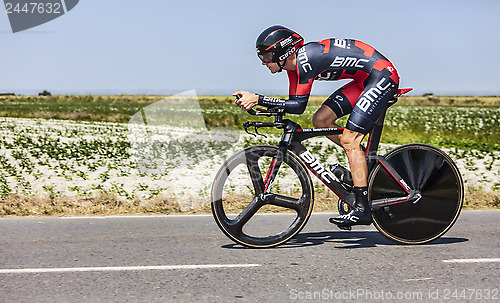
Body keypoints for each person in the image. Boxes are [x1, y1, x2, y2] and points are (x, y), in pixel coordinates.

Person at [234, 25, 400, 227]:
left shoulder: (307, 60)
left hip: (381, 76)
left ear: (283, 52)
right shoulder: (292, 68)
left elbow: (297, 106)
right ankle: (363, 166)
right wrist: (262, 107)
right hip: (363, 80)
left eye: (267, 57)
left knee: (350, 140)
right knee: (320, 120)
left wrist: (258, 98)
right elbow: (293, 105)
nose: (263, 63)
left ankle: (363, 210)